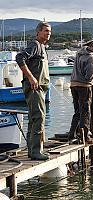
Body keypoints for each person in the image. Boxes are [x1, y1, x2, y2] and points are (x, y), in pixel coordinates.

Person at [16, 21, 51, 160]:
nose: (49, 33)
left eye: (50, 31)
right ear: (38, 32)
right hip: (34, 87)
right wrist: (31, 78)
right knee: (39, 117)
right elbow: (20, 58)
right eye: (46, 31)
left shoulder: (42, 47)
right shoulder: (35, 45)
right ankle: (35, 151)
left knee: (34, 117)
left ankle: (33, 150)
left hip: (41, 88)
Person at [68, 39, 93, 144]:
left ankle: (72, 134)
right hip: (84, 86)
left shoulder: (79, 52)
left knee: (77, 111)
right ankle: (84, 135)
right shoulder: (91, 59)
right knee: (85, 111)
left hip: (73, 84)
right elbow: (89, 77)